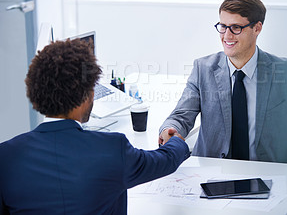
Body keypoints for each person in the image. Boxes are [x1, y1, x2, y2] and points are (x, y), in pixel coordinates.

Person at [0, 39, 190, 214]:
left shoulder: (5, 155)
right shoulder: (112, 149)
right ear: (86, 96)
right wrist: (177, 142)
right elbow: (164, 161)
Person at [159, 0, 287, 165]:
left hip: (269, 175)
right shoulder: (202, 69)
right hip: (211, 175)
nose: (227, 36)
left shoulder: (286, 73)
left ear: (257, 28)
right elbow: (181, 116)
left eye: (236, 28)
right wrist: (169, 129)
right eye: (223, 26)